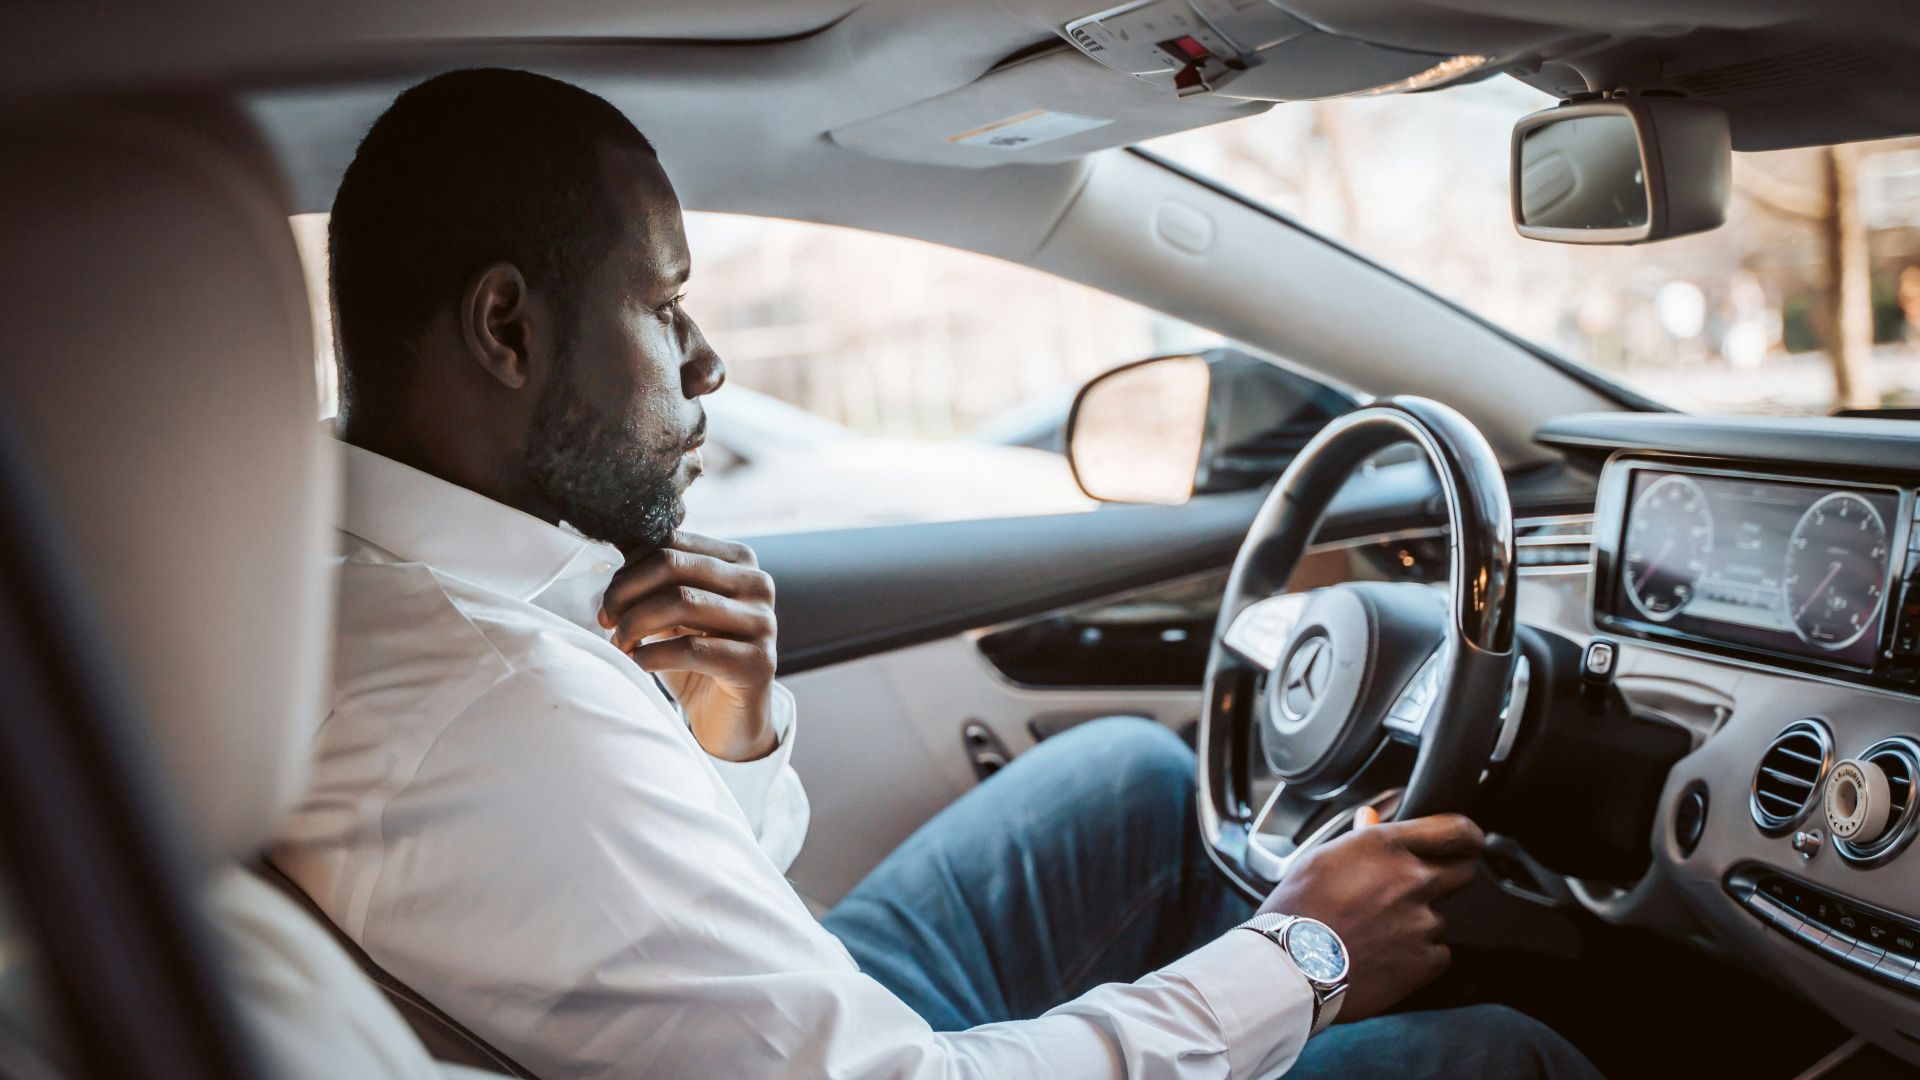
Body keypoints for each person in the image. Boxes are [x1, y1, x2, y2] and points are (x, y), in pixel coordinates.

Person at [273, 67, 1604, 1079]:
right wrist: (1304, 958)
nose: (706, 365)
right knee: (1502, 1053)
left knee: (1136, 784)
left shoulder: (358, 588)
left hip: (777, 1022)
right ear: (508, 327)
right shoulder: (496, 703)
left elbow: (662, 913)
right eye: (664, 305)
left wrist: (729, 741)